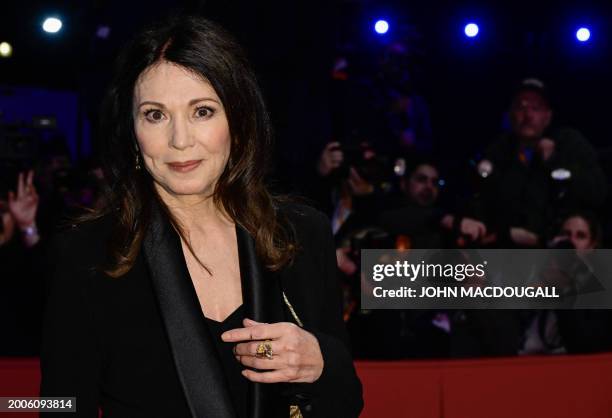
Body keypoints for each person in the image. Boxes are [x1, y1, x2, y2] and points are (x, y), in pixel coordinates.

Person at [40, 15, 363, 418]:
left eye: (202, 111)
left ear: (239, 121)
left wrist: (320, 363)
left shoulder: (300, 232)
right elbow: (59, 404)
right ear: (133, 131)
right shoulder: (88, 253)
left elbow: (347, 398)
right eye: (155, 115)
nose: (179, 140)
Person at [477, 78, 607, 247]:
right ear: (510, 114)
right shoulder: (496, 152)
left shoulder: (570, 144)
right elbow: (478, 199)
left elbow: (597, 193)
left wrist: (554, 161)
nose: (528, 115)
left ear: (548, 116)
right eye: (521, 107)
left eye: (536, 108)